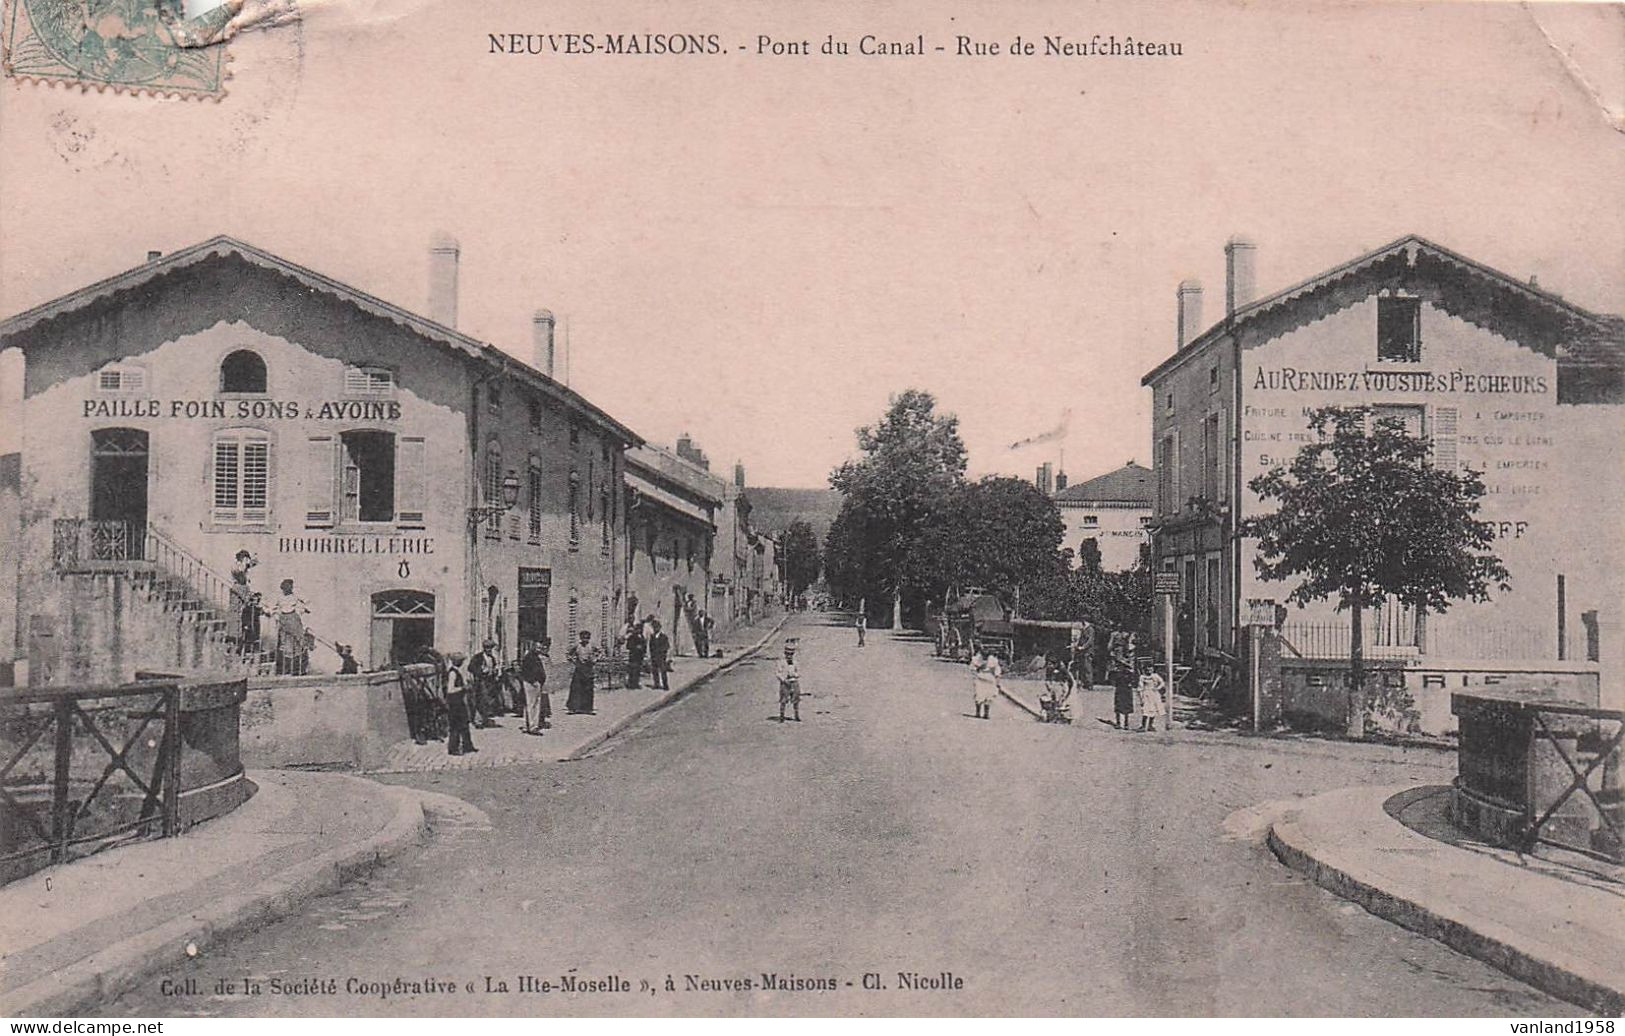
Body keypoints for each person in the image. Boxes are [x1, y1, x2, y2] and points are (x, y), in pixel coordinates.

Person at [269, 579, 310, 675]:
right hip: (284, 619)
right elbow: (271, 608)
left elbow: (307, 602)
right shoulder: (279, 598)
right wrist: (275, 614)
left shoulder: (295, 596)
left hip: (293, 619)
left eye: (290, 587)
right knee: (285, 643)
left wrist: (303, 610)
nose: (288, 589)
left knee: (298, 642)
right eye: (286, 587)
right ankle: (285, 669)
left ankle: (299, 669)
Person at [443, 652, 476, 756]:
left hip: (459, 701)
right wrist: (463, 688)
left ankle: (467, 746)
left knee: (464, 724)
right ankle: (453, 748)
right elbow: (450, 690)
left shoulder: (457, 672)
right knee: (456, 725)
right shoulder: (452, 673)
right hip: (454, 702)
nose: (462, 662)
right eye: (460, 661)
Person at [565, 630, 601, 714]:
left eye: (587, 638)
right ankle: (574, 708)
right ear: (580, 638)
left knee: (588, 688)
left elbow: (600, 651)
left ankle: (587, 708)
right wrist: (573, 660)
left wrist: (595, 659)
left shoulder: (592, 645)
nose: (585, 640)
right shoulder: (577, 646)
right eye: (583, 638)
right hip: (579, 668)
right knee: (576, 688)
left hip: (588, 668)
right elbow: (568, 653)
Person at [468, 638, 502, 727]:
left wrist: (495, 672)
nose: (489, 650)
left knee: (487, 701)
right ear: (484, 648)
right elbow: (471, 668)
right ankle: (478, 720)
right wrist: (481, 671)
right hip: (480, 681)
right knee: (480, 700)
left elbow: (494, 668)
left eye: (490, 648)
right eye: (487, 648)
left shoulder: (492, 658)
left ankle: (485, 719)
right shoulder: (478, 657)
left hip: (490, 682)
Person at [519, 639, 549, 735]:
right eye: (538, 648)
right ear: (533, 647)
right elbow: (526, 671)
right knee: (533, 705)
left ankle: (526, 725)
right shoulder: (530, 657)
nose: (539, 649)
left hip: (535, 683)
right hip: (532, 683)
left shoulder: (534, 656)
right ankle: (532, 727)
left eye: (540, 648)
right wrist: (534, 681)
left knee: (530, 704)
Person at [1107, 629, 1135, 730]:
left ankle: (1126, 723)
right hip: (1120, 677)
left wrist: (1123, 662)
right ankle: (1119, 722)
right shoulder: (1117, 651)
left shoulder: (1130, 650)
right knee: (1119, 701)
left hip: (1127, 678)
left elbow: (1131, 665)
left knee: (1127, 702)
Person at [970, 642, 1001, 720]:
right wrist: (977, 670)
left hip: (990, 678)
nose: (985, 655)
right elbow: (972, 668)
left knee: (988, 696)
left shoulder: (993, 660)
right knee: (979, 694)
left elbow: (997, 671)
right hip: (980, 677)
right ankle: (978, 712)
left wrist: (997, 681)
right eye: (984, 652)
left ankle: (986, 713)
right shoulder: (976, 659)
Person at [1137, 661, 1168, 732]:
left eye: (1151, 669)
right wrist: (1141, 697)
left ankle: (1150, 725)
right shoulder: (1142, 677)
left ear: (1153, 669)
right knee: (1145, 710)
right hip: (1146, 694)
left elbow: (1162, 683)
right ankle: (1143, 726)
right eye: (1147, 670)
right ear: (1145, 670)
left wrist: (1157, 688)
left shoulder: (1155, 676)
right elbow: (1140, 687)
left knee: (1153, 710)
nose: (1149, 671)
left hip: (1154, 694)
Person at [776, 638, 802, 722]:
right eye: (787, 654)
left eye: (791, 654)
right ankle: (782, 716)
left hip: (794, 682)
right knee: (783, 700)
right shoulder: (781, 662)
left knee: (796, 699)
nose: (789, 656)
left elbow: (799, 672)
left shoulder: (795, 662)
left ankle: (796, 715)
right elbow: (778, 673)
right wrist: (783, 679)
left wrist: (795, 675)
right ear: (785, 654)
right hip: (785, 683)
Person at [647, 619, 671, 690]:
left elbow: (666, 646)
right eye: (654, 627)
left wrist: (663, 653)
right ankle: (656, 684)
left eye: (657, 627)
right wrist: (651, 655)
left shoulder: (664, 637)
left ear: (660, 628)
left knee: (663, 671)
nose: (655, 628)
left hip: (661, 657)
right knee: (655, 671)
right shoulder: (652, 636)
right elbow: (651, 646)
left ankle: (665, 685)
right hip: (654, 656)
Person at [624, 620, 646, 689]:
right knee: (632, 670)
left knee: (638, 670)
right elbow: (628, 646)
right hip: (633, 655)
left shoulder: (642, 636)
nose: (639, 630)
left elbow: (644, 645)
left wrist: (643, 650)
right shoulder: (632, 637)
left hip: (639, 656)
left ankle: (636, 683)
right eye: (638, 629)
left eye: (640, 629)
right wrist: (636, 647)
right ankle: (631, 684)